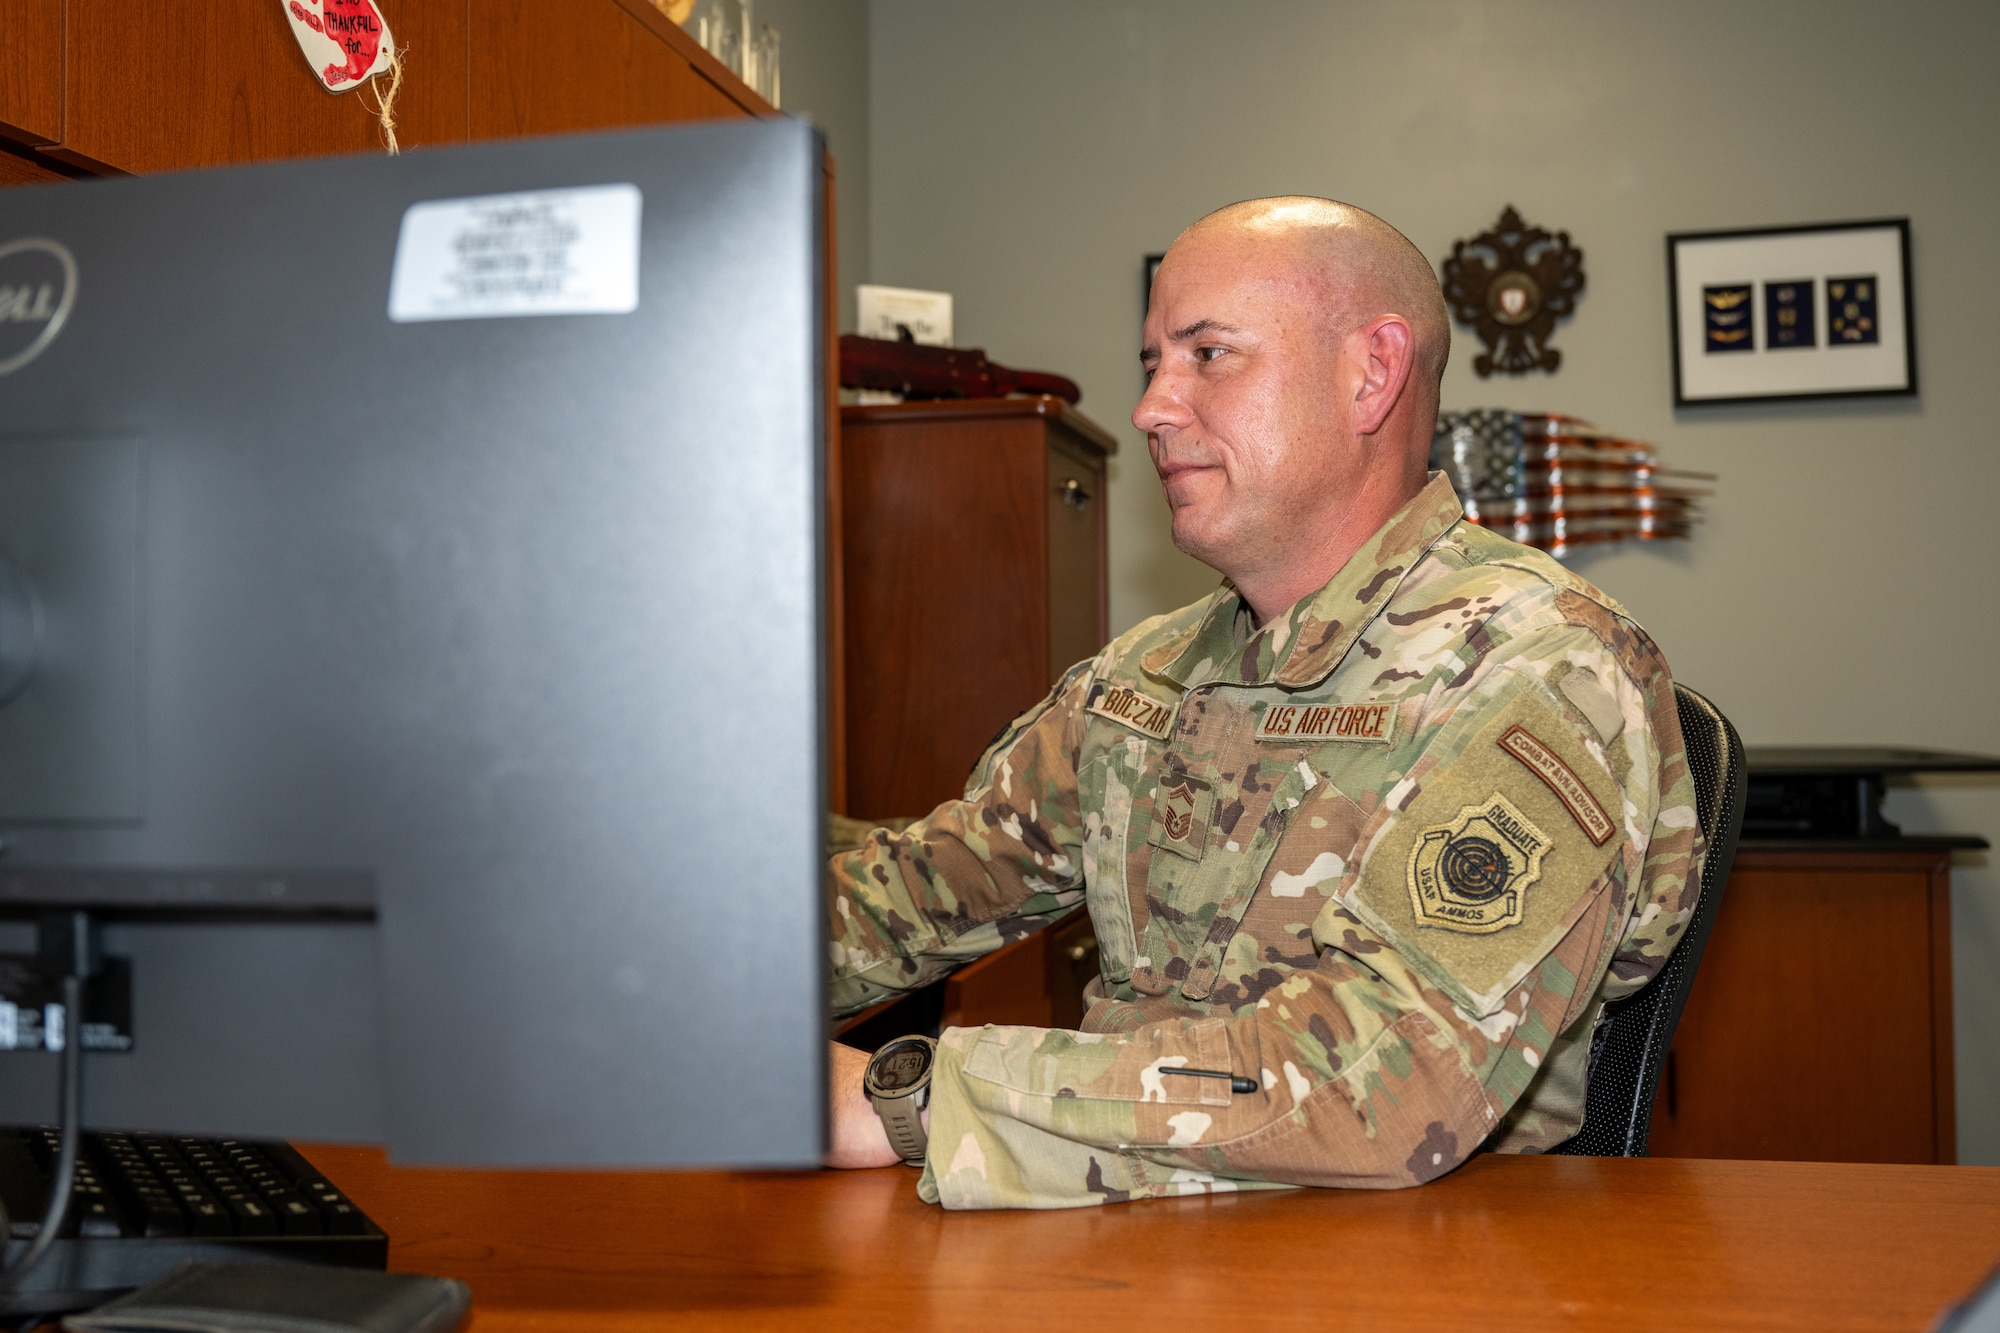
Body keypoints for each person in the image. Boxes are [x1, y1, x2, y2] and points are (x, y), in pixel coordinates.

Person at [823, 197, 1702, 1209]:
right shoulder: (1141, 681)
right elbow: (917, 893)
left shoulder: (1541, 666)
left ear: (1369, 371)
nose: (1152, 407)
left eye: (1206, 355)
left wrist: (910, 1101)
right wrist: (670, 976)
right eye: (1152, 361)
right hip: (1111, 1240)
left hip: (1398, 1265)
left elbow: (1379, 1085)